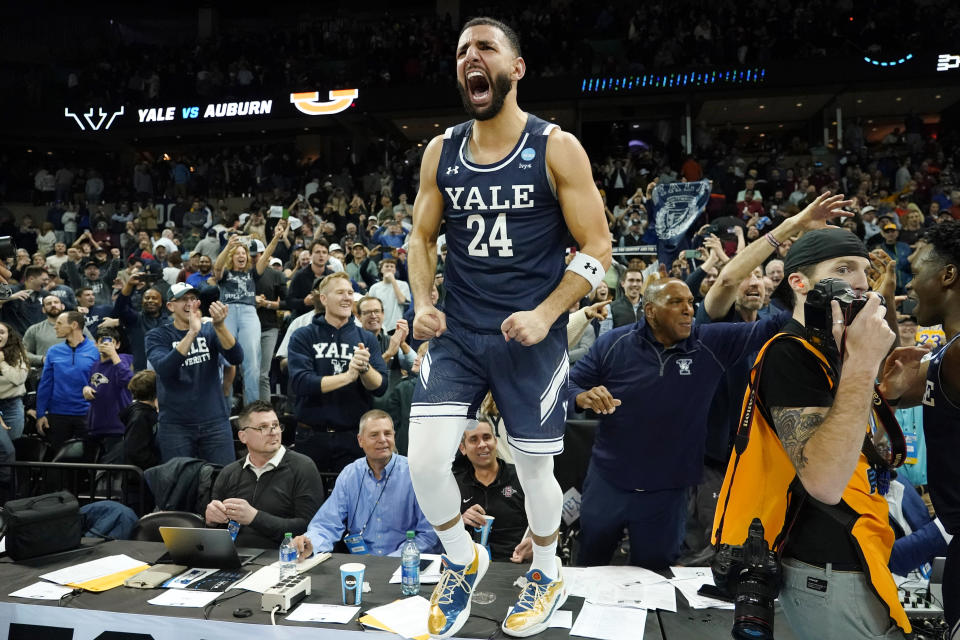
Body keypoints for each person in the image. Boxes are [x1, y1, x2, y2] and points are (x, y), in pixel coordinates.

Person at [406, 17, 612, 638]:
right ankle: (463, 560)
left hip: (533, 333)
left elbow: (599, 244)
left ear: (515, 68)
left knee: (532, 469)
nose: (472, 56)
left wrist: (549, 312)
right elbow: (420, 237)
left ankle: (547, 569)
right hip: (461, 330)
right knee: (425, 463)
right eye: (463, 49)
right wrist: (421, 300)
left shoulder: (556, 146)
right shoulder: (442, 149)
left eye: (486, 47)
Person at [712, 227, 910, 639]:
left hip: (857, 548)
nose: (860, 281)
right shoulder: (790, 352)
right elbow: (823, 481)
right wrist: (862, 365)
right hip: (827, 565)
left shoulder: (836, 350)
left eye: (864, 270)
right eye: (843, 268)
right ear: (799, 283)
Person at [879, 221, 960, 636]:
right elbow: (891, 390)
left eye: (916, 270)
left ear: (948, 275)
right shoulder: (946, 353)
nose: (910, 284)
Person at [292, 410, 438, 557]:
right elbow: (326, 524)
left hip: (405, 565)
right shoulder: (350, 475)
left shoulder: (415, 474)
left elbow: (429, 535)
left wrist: (390, 562)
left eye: (387, 433)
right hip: (362, 566)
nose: (382, 440)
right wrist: (310, 543)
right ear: (360, 440)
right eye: (374, 435)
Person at [288, 272, 388, 473]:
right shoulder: (303, 335)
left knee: (354, 501)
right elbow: (301, 382)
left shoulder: (366, 338)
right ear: (323, 299)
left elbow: (381, 386)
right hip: (311, 436)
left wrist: (364, 368)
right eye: (340, 292)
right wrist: (348, 376)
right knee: (311, 501)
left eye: (350, 292)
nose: (347, 297)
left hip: (352, 437)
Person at [145, 283, 243, 465]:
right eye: (183, 299)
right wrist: (191, 333)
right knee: (180, 485)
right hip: (176, 426)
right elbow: (165, 369)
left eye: (193, 298)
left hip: (215, 422)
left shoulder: (210, 330)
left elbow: (236, 357)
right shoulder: (157, 336)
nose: (189, 303)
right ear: (170, 306)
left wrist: (220, 326)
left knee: (222, 481)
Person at [205, 401, 324, 549]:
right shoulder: (229, 473)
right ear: (243, 436)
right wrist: (211, 521)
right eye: (263, 427)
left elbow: (308, 527)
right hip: (234, 556)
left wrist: (255, 518)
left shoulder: (303, 467)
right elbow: (218, 532)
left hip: (282, 558)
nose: (273, 432)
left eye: (275, 425)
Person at [212, 220, 288, 405]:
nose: (241, 256)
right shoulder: (225, 275)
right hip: (227, 312)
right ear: (232, 256)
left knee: (252, 363)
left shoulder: (252, 274)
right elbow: (217, 267)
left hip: (248, 314)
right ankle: (224, 406)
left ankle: (252, 407)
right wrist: (229, 245)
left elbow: (265, 256)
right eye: (237, 254)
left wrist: (276, 238)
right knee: (225, 362)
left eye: (243, 253)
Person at [455, 420, 532, 563]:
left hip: (515, 564)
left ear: (495, 441)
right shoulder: (454, 485)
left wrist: (536, 543)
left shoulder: (522, 477)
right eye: (473, 439)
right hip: (470, 567)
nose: (482, 444)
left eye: (486, 437)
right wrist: (459, 522)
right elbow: (441, 535)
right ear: (462, 448)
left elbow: (550, 523)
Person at [35, 310, 100, 455]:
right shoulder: (53, 351)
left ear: (74, 325)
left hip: (87, 414)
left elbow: (102, 382)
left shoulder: (96, 350)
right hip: (58, 414)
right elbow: (45, 384)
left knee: (87, 459)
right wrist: (40, 414)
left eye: (59, 323)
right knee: (59, 461)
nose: (55, 327)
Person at [83, 326, 134, 460]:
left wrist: (114, 355)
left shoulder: (124, 359)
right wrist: (86, 389)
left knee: (114, 471)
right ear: (96, 344)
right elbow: (94, 385)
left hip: (117, 426)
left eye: (110, 342)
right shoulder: (95, 365)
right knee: (95, 469)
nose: (106, 345)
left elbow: (129, 380)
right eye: (102, 341)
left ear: (117, 345)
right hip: (96, 425)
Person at [113, 272, 168, 372]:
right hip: (141, 373)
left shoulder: (169, 322)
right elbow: (120, 308)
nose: (150, 300)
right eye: (147, 298)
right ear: (142, 302)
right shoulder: (135, 319)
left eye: (154, 298)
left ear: (161, 303)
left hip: (165, 372)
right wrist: (129, 285)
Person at [0, 323, 29, 499]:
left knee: (12, 455)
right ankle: (5, 494)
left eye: (1, 332)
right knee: (6, 450)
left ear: (8, 335)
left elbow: (18, 379)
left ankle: (12, 500)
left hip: (13, 406)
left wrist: (2, 363)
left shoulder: (17, 353)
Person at [120, 370, 160, 472]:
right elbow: (136, 451)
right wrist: (159, 463)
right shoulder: (140, 417)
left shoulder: (140, 412)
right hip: (140, 480)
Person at [367, 259, 410, 333]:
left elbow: (402, 300)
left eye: (392, 266)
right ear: (381, 270)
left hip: (396, 326)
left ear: (395, 270)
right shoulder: (374, 287)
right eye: (386, 266)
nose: (389, 268)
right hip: (379, 325)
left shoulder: (403, 285)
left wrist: (393, 281)